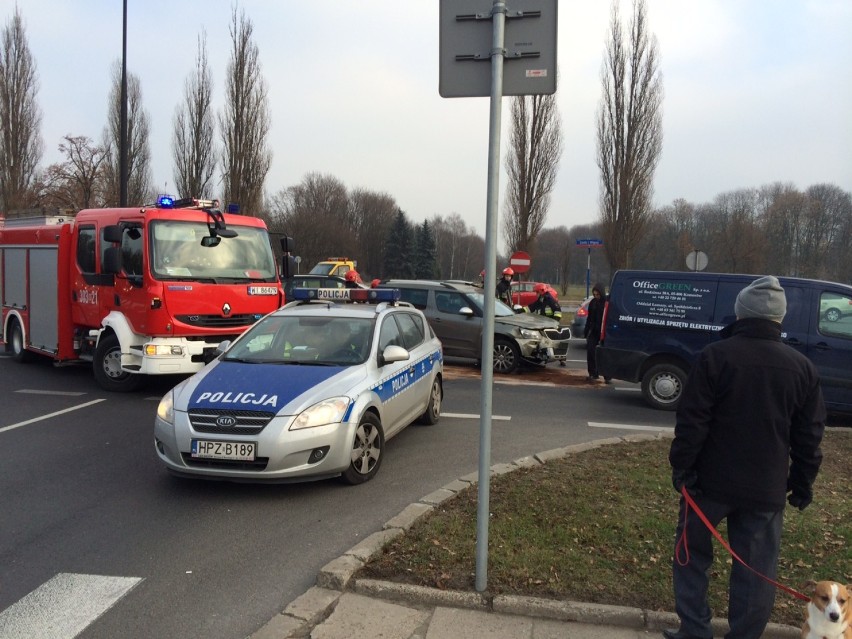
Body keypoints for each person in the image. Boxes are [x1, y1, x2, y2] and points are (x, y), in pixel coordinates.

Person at [665, 275, 826, 639]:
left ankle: (694, 631)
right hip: (765, 490)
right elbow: (809, 437)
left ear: (741, 314)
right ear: (779, 320)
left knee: (690, 558)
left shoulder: (715, 357)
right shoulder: (802, 368)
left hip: (707, 483)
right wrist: (802, 484)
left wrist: (683, 468)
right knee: (755, 573)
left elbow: (692, 421)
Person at [583, 283, 609, 382]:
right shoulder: (593, 303)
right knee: (590, 351)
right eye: (594, 295)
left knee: (605, 354)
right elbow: (589, 318)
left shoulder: (607, 303)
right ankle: (593, 373)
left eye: (597, 294)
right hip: (594, 331)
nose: (596, 296)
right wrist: (586, 330)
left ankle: (607, 375)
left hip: (604, 332)